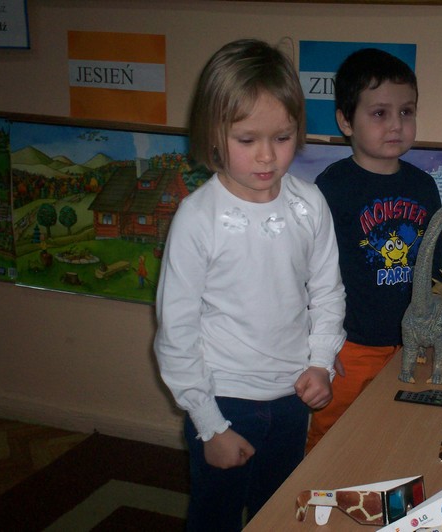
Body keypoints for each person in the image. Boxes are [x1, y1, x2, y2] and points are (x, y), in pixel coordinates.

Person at [153, 39, 346, 531]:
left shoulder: (310, 205)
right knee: (214, 518)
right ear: (214, 135)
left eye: (282, 137)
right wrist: (209, 424)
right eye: (246, 139)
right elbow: (176, 329)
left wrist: (321, 362)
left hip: (292, 396)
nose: (266, 156)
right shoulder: (197, 218)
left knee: (276, 514)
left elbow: (327, 293)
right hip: (223, 400)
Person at [306, 48, 442, 452]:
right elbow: (309, 275)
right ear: (345, 121)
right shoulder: (331, 188)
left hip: (412, 343)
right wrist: (320, 349)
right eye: (380, 113)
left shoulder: (424, 186)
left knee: (398, 435)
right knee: (331, 438)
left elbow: (434, 268)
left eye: (406, 111)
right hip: (350, 346)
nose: (396, 124)